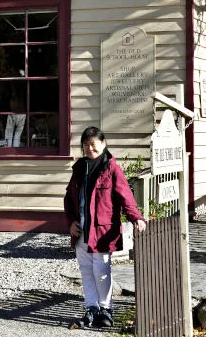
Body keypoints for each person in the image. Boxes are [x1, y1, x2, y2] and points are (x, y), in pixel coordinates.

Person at [64, 126, 146, 329]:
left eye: (93, 144)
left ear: (103, 144)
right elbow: (69, 199)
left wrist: (136, 217)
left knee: (101, 270)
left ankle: (106, 309)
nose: (89, 148)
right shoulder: (79, 168)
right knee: (86, 270)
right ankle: (91, 308)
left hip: (101, 230)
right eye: (85, 145)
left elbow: (125, 196)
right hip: (81, 229)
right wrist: (71, 221)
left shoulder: (111, 169)